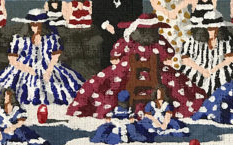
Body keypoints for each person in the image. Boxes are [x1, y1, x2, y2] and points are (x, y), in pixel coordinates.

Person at [67, 13, 206, 119]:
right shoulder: (160, 41)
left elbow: (114, 57)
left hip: (126, 73)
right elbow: (169, 56)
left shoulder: (127, 41)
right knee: (178, 84)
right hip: (157, 76)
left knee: (104, 82)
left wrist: (123, 64)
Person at [0, 9, 84, 105]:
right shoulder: (19, 39)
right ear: (29, 24)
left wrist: (49, 70)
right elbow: (12, 60)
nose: (36, 26)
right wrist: (28, 69)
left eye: (39, 24)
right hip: (22, 67)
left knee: (62, 86)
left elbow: (55, 57)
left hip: (49, 66)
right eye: (34, 24)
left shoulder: (51, 39)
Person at [92, 0, 143, 69]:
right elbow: (96, 8)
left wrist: (130, 24)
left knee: (128, 51)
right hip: (107, 25)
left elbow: (137, 7)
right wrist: (105, 25)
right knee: (107, 50)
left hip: (127, 25)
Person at [148, 0, 197, 69]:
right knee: (163, 47)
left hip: (182, 21)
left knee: (183, 47)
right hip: (163, 21)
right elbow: (154, 3)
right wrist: (167, 12)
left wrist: (176, 10)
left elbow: (190, 0)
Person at [180, 10, 233, 95]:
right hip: (197, 67)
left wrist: (213, 70)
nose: (213, 31)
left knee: (225, 80)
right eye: (210, 28)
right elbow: (185, 59)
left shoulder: (227, 40)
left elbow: (230, 59)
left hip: (220, 67)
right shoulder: (193, 40)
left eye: (216, 28)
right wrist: (202, 70)